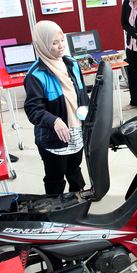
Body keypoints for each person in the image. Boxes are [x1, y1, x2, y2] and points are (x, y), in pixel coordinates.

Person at [24, 21, 89, 195]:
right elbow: (33, 110)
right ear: (42, 45)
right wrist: (54, 121)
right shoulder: (36, 75)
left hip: (76, 130)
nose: (61, 46)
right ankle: (55, 206)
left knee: (74, 169)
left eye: (62, 40)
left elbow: (82, 93)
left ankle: (79, 197)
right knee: (55, 177)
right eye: (54, 43)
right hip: (53, 137)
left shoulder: (72, 64)